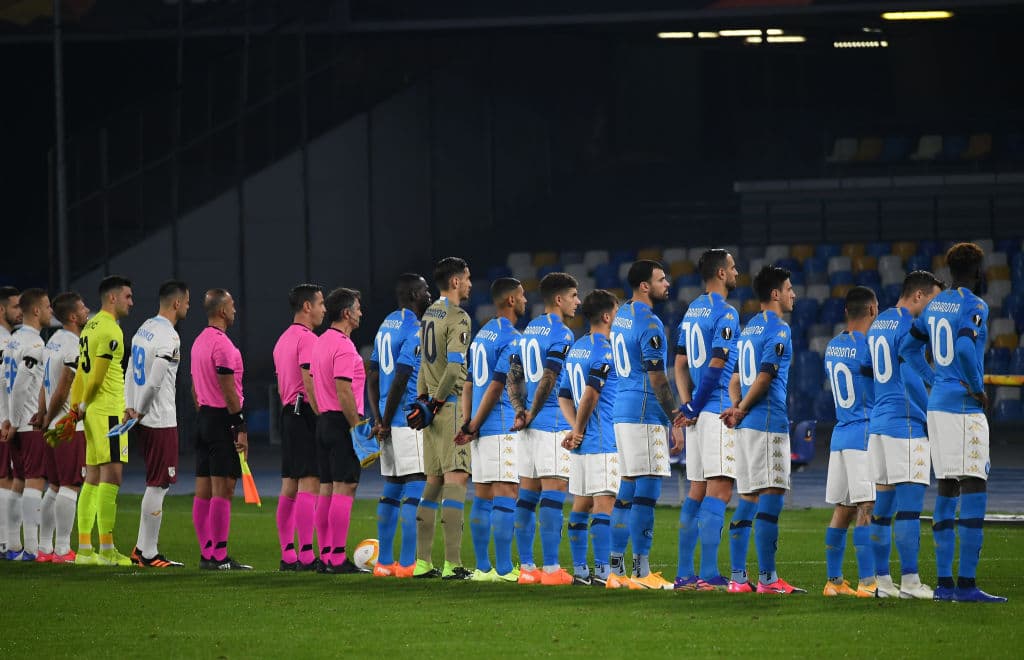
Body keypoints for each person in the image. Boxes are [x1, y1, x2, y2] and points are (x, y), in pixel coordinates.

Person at [905, 243, 1007, 603]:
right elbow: (965, 349)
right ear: (978, 271)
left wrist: (932, 378)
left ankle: (945, 585)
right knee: (975, 484)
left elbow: (908, 349)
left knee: (947, 488)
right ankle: (966, 585)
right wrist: (978, 389)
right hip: (963, 407)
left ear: (949, 271)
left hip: (937, 406)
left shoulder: (933, 306)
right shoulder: (974, 305)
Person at [721, 265, 803, 594]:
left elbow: (736, 378)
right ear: (775, 294)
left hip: (747, 426)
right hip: (767, 421)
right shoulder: (779, 329)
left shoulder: (748, 329)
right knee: (771, 498)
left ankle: (739, 579)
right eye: (788, 287)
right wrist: (741, 409)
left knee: (748, 497)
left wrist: (737, 408)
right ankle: (768, 580)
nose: (793, 293)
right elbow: (765, 377)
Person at [865, 270, 943, 598]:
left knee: (882, 510)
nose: (935, 311)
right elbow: (910, 375)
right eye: (934, 302)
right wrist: (930, 413)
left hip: (880, 425)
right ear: (919, 296)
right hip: (906, 423)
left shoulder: (878, 323)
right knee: (910, 509)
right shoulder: (907, 326)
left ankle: (883, 581)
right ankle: (910, 581)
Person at [609, 259, 681, 590]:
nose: (667, 283)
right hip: (643, 410)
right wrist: (676, 417)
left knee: (627, 488)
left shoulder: (621, 315)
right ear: (644, 286)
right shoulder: (650, 324)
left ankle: (616, 569)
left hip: (623, 408)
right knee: (648, 490)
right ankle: (641, 571)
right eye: (661, 279)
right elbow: (658, 380)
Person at [673, 248, 742, 590]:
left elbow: (680, 364)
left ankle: (685, 574)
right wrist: (696, 406)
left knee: (697, 490)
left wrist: (687, 406)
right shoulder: (726, 314)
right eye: (731, 267)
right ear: (719, 273)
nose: (736, 272)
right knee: (720, 489)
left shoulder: (691, 311)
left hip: (699, 416)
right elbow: (717, 366)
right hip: (715, 412)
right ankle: (709, 574)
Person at [460, 278, 527, 582]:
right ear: (511, 300)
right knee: (506, 492)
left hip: (480, 428)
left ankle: (483, 568)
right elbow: (498, 385)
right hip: (498, 425)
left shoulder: (481, 335)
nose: (526, 301)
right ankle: (502, 569)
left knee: (483, 495)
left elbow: (469, 382)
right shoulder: (512, 338)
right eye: (523, 296)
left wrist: (468, 422)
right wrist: (474, 424)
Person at [410, 257, 474, 580]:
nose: (470, 283)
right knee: (456, 480)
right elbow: (452, 369)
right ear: (454, 282)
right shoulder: (457, 317)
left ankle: (422, 562)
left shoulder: (429, 314)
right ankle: (452, 563)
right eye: (466, 278)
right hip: (448, 407)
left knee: (432, 484)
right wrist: (435, 403)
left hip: (431, 410)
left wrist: (422, 401)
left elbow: (423, 365)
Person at [65, 276, 134, 566]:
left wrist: (76, 406)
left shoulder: (89, 326)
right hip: (108, 412)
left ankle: (84, 549)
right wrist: (82, 403)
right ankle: (106, 549)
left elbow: (81, 372)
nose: (132, 302)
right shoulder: (109, 330)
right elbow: (96, 376)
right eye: (128, 296)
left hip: (93, 411)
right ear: (113, 298)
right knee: (112, 477)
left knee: (92, 476)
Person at [366, 274, 432, 578]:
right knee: (415, 484)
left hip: (387, 420)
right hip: (406, 420)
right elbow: (403, 376)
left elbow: (374, 374)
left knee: (391, 488)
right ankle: (407, 564)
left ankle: (384, 564)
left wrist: (379, 419)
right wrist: (390, 420)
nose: (429, 294)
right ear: (415, 294)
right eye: (426, 290)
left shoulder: (386, 324)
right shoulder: (414, 329)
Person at [516, 272, 579, 585]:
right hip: (551, 421)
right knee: (554, 494)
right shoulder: (562, 333)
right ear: (559, 299)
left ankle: (527, 568)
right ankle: (552, 569)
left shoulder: (529, 329)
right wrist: (534, 411)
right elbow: (550, 378)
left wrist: (521, 411)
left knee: (527, 496)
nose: (577, 302)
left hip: (527, 425)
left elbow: (514, 373)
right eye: (573, 296)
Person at [124, 280, 190, 568]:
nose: (188, 307)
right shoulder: (169, 336)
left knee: (155, 481)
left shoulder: (144, 328)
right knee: (158, 483)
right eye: (186, 302)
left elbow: (129, 368)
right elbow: (155, 381)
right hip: (159, 418)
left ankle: (142, 549)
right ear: (176, 303)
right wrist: (139, 409)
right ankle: (147, 553)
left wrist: (130, 406)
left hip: (142, 414)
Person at [558, 289, 620, 587]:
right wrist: (580, 428)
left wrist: (574, 428)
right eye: (617, 314)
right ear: (607, 316)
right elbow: (590, 394)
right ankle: (604, 573)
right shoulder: (604, 349)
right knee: (604, 505)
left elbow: (563, 395)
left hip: (582, 446)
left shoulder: (577, 348)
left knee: (581, 506)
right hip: (602, 440)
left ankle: (581, 572)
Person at [822, 286, 879, 597]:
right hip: (863, 432)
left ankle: (833, 581)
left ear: (847, 312)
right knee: (866, 506)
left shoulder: (833, 346)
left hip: (840, 433)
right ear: (871, 310)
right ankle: (868, 582)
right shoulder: (868, 348)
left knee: (841, 508)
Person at [190, 288, 251, 570]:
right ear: (223, 311)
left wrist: (204, 413)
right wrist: (238, 425)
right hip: (222, 419)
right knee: (224, 488)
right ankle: (219, 555)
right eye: (233, 305)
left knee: (203, 490)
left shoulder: (198, 343)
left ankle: (207, 553)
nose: (235, 310)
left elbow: (193, 387)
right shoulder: (224, 346)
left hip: (203, 417)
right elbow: (229, 391)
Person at [311, 287, 366, 574]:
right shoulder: (344, 346)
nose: (361, 313)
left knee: (327, 489)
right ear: (346, 313)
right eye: (357, 308)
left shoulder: (320, 342)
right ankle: (335, 557)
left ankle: (325, 555)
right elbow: (344, 391)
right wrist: (356, 428)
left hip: (324, 421)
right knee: (345, 487)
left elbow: (310, 382)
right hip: (341, 420)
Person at [271, 284, 325, 571]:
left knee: (289, 485)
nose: (323, 309)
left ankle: (288, 553)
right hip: (304, 412)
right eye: (320, 304)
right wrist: (321, 414)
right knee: (309, 483)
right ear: (307, 307)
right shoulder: (308, 339)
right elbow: (309, 379)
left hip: (287, 414)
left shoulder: (282, 340)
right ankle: (306, 554)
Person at [39, 292, 89, 563]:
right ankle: (62, 549)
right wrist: (53, 418)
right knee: (70, 485)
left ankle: (44, 548)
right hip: (68, 425)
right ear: (72, 316)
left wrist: (44, 415)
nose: (87, 311)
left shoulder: (52, 342)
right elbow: (63, 387)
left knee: (55, 486)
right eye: (82, 309)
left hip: (52, 423)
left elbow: (44, 385)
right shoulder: (73, 344)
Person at [4, 288, 52, 561]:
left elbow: (3, 382)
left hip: (16, 421)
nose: (50, 312)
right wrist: (14, 418)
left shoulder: (11, 342)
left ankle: (13, 545)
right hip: (28, 422)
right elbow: (22, 384)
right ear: (36, 311)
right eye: (47, 307)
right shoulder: (34, 344)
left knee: (18, 482)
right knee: (34, 482)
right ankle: (31, 549)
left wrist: (7, 418)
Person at [0, 286, 22, 558]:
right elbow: (8, 384)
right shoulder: (7, 343)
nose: (20, 311)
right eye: (16, 306)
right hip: (4, 419)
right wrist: (10, 419)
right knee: (7, 478)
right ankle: (6, 542)